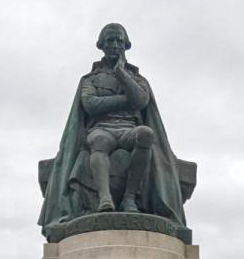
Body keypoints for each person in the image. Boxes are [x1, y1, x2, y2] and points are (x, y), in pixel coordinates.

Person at [38, 23, 188, 226]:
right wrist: (127, 100)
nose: (115, 45)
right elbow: (91, 105)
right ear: (101, 45)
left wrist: (121, 73)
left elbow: (142, 101)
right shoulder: (89, 79)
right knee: (99, 141)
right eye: (110, 40)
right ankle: (105, 198)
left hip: (129, 129)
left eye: (119, 40)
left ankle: (129, 198)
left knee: (145, 134)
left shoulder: (137, 79)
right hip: (101, 129)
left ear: (126, 45)